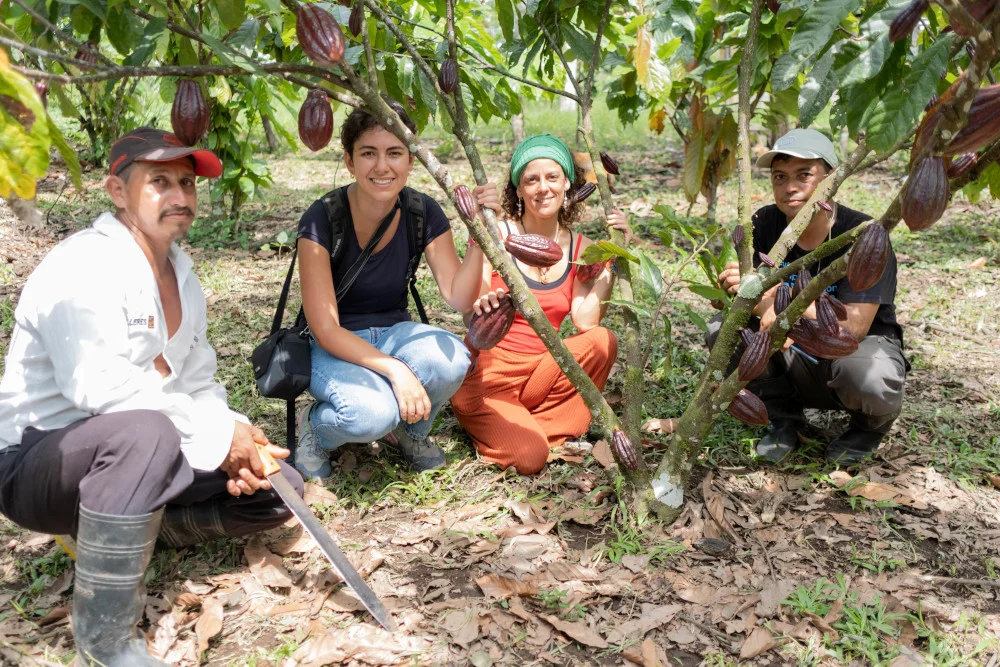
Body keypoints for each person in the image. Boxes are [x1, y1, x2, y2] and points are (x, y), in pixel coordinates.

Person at [0, 127, 304, 666]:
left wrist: (237, 436)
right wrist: (215, 437)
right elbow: (97, 386)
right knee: (146, 429)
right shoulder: (84, 266)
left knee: (278, 487)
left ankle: (125, 534)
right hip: (38, 462)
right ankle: (106, 638)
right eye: (159, 182)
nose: (181, 197)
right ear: (118, 191)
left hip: (138, 454)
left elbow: (197, 382)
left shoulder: (182, 275)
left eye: (187, 183)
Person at [293, 101, 486, 479]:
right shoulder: (322, 218)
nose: (382, 167)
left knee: (452, 359)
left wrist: (478, 233)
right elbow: (326, 328)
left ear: (411, 161)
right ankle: (314, 428)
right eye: (368, 153)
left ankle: (410, 432)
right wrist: (396, 371)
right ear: (349, 161)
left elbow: (458, 296)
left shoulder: (421, 211)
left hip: (394, 334)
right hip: (331, 345)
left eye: (395, 153)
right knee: (370, 415)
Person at [713, 128, 906, 465]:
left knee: (871, 377)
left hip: (851, 353)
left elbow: (855, 326)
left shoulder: (863, 236)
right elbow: (744, 302)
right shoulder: (762, 224)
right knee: (722, 331)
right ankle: (782, 417)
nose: (790, 187)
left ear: (831, 179)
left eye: (804, 175)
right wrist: (731, 290)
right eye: (780, 177)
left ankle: (869, 427)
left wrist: (777, 300)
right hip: (792, 350)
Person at [450, 134, 632, 475]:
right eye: (531, 180)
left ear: (567, 183)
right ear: (518, 189)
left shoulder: (582, 248)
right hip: (491, 376)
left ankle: (525, 426)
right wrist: (482, 302)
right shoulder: (495, 232)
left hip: (540, 375)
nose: (542, 188)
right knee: (530, 458)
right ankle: (519, 428)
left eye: (552, 177)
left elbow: (586, 321)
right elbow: (469, 306)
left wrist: (611, 260)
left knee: (602, 341)